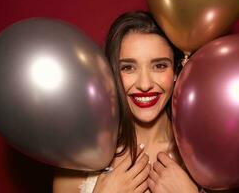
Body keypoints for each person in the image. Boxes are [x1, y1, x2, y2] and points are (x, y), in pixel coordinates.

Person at [53, 11, 199, 193]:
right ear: (111, 73)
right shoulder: (80, 159)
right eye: (128, 67)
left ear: (177, 72)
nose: (145, 84)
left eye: (159, 65)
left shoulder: (204, 155)